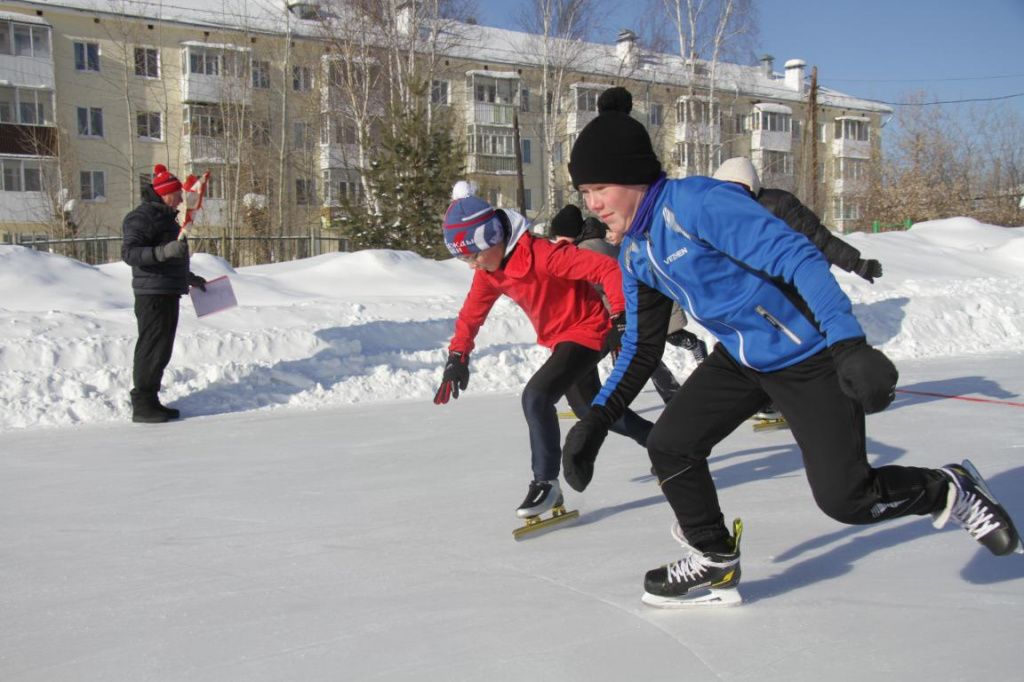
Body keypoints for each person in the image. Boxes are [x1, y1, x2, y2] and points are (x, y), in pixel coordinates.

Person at [560, 86, 1020, 607]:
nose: (592, 204)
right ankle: (713, 560)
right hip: (741, 359)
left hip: (810, 359)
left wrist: (848, 346)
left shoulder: (700, 204)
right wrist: (596, 421)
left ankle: (948, 488)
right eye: (585, 192)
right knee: (670, 444)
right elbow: (643, 345)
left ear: (634, 177)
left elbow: (800, 260)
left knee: (847, 499)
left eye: (600, 188)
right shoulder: (638, 252)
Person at [434, 186, 653, 520]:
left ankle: (545, 484)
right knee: (591, 409)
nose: (471, 265)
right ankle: (659, 441)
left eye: (473, 255)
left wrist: (620, 317)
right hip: (564, 339)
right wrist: (457, 356)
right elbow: (471, 314)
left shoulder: (544, 255)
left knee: (536, 396)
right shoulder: (491, 273)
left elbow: (608, 270)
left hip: (589, 330)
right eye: (465, 258)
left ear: (492, 237)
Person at [549, 203, 691, 403]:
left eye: (559, 237)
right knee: (631, 356)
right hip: (619, 310)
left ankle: (605, 402)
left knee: (623, 357)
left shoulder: (586, 248)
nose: (557, 243)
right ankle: (670, 395)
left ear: (571, 234)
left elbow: (597, 282)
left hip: (617, 312)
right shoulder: (596, 241)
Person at [121, 164, 207, 424]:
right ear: (164, 194)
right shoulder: (141, 217)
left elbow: (171, 255)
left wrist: (188, 278)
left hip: (167, 289)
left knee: (162, 349)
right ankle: (143, 404)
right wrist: (164, 252)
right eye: (177, 194)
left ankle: (152, 400)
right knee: (151, 348)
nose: (181, 199)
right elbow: (130, 254)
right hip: (152, 293)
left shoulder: (166, 219)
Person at [712, 156, 883, 283]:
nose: (732, 196)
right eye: (725, 189)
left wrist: (857, 264)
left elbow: (817, 238)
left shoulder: (778, 204)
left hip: (785, 281)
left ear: (750, 187)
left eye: (739, 188)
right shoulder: (711, 214)